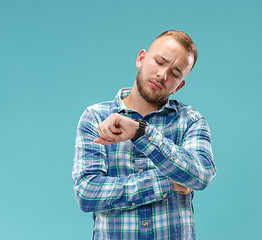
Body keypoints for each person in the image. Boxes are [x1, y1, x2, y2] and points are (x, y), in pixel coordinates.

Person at [72, 30, 216, 240]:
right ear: (141, 58)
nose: (163, 75)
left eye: (175, 73)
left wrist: (141, 132)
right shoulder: (95, 117)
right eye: (159, 61)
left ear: (179, 86)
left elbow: (201, 174)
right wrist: (167, 181)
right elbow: (87, 193)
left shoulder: (190, 120)